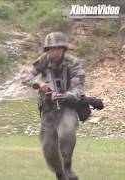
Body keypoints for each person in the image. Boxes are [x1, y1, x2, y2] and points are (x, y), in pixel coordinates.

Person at [23, 32, 84, 180]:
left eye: (57, 48)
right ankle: (60, 174)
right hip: (48, 108)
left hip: (67, 106)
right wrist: (39, 83)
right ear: (47, 50)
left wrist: (66, 95)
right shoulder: (43, 61)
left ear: (63, 49)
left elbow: (78, 86)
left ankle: (68, 167)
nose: (54, 52)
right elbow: (26, 77)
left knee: (66, 132)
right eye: (51, 49)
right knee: (48, 147)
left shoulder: (73, 63)